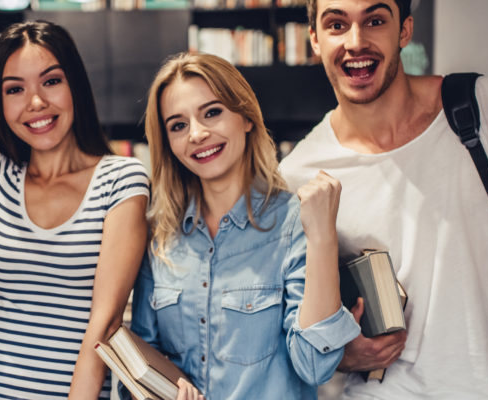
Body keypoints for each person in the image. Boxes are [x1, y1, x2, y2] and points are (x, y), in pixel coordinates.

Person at [278, 0, 488, 398]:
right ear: (315, 39)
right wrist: (342, 354)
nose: (356, 41)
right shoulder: (298, 173)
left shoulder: (479, 106)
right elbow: (299, 328)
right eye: (337, 24)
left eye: (375, 21)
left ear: (405, 31)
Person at [0, 0, 150, 399]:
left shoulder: (121, 180)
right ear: (0, 103)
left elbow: (105, 324)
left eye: (51, 81)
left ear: (75, 87)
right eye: (15, 89)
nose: (35, 103)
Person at [130, 52, 361, 399]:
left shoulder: (296, 223)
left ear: (247, 118)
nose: (197, 134)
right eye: (178, 125)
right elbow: (138, 365)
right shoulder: (160, 236)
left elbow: (314, 365)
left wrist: (323, 237)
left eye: (212, 112)